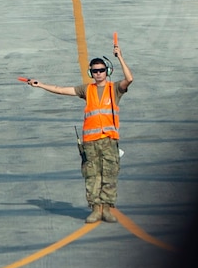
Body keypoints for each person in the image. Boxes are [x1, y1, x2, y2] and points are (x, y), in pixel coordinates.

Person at [20, 46, 132, 223]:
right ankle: (96, 209)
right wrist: (40, 84)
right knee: (92, 175)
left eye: (102, 70)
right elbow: (62, 90)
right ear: (91, 73)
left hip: (109, 140)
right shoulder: (86, 90)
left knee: (109, 174)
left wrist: (120, 57)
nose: (98, 74)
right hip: (90, 141)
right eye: (95, 71)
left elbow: (129, 79)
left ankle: (107, 209)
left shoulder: (115, 88)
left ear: (107, 71)